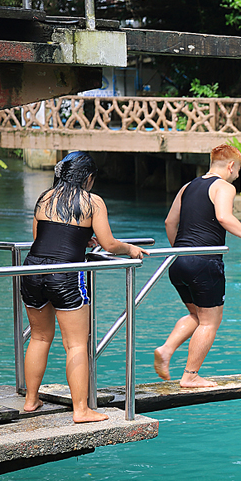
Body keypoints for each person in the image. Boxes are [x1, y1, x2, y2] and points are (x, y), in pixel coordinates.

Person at [21, 151, 147, 423]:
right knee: (77, 344)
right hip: (65, 274)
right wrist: (131, 249)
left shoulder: (45, 197)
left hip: (32, 270)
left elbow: (39, 238)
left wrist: (80, 238)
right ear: (88, 178)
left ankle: (31, 401)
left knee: (40, 337)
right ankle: (81, 410)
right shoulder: (92, 202)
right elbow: (110, 244)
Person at [153, 144, 241, 388]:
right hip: (204, 262)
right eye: (238, 170)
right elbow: (224, 217)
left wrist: (183, 253)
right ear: (231, 166)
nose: (237, 176)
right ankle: (190, 375)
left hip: (178, 262)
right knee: (210, 322)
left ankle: (166, 350)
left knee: (197, 315)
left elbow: (170, 222)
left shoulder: (187, 187)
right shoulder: (224, 186)